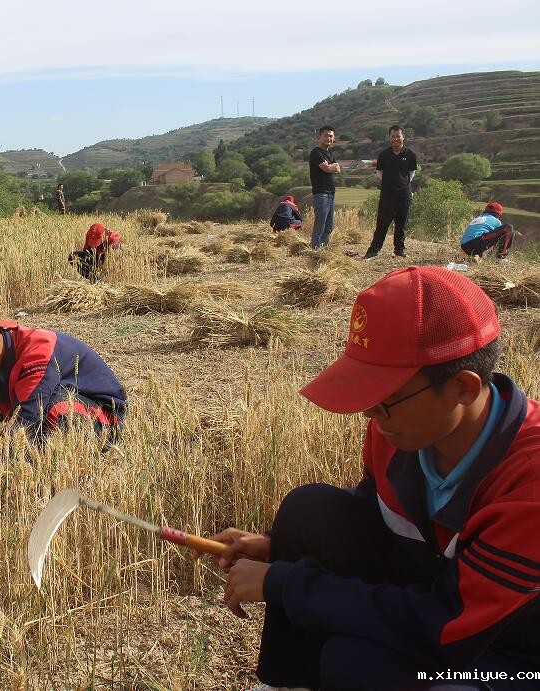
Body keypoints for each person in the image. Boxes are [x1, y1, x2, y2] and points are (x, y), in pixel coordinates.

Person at [215, 266, 540, 690]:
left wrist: (289, 583)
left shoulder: (529, 483)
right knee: (309, 511)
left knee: (360, 666)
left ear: (463, 387)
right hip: (441, 598)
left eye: (383, 402)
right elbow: (377, 513)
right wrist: (278, 547)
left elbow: (449, 626)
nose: (369, 416)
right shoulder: (399, 432)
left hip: (510, 654)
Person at [0, 304, 125, 446]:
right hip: (49, 408)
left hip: (103, 419)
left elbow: (29, 418)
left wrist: (5, 472)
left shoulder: (37, 350)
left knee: (54, 412)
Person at [363, 125, 418, 260]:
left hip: (404, 195)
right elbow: (379, 172)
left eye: (398, 136)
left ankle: (399, 249)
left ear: (403, 137)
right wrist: (390, 183)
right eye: (392, 136)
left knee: (402, 224)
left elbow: (412, 173)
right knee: (382, 223)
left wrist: (402, 184)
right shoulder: (384, 155)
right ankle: (373, 250)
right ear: (389, 138)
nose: (395, 139)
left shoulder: (410, 154)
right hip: (387, 194)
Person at [309, 126, 340, 250]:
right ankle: (315, 251)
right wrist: (330, 167)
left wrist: (331, 167)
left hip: (331, 193)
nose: (329, 138)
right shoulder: (316, 153)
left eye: (331, 136)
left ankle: (324, 251)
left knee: (329, 227)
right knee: (320, 227)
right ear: (319, 137)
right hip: (321, 194)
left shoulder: (330, 154)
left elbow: (338, 169)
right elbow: (326, 168)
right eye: (326, 135)